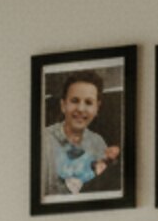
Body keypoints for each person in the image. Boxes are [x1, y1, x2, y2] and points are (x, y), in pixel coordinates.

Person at [41, 69, 121, 199]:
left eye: (89, 102)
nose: (81, 108)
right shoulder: (43, 141)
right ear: (63, 105)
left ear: (97, 108)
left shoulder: (98, 142)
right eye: (74, 100)